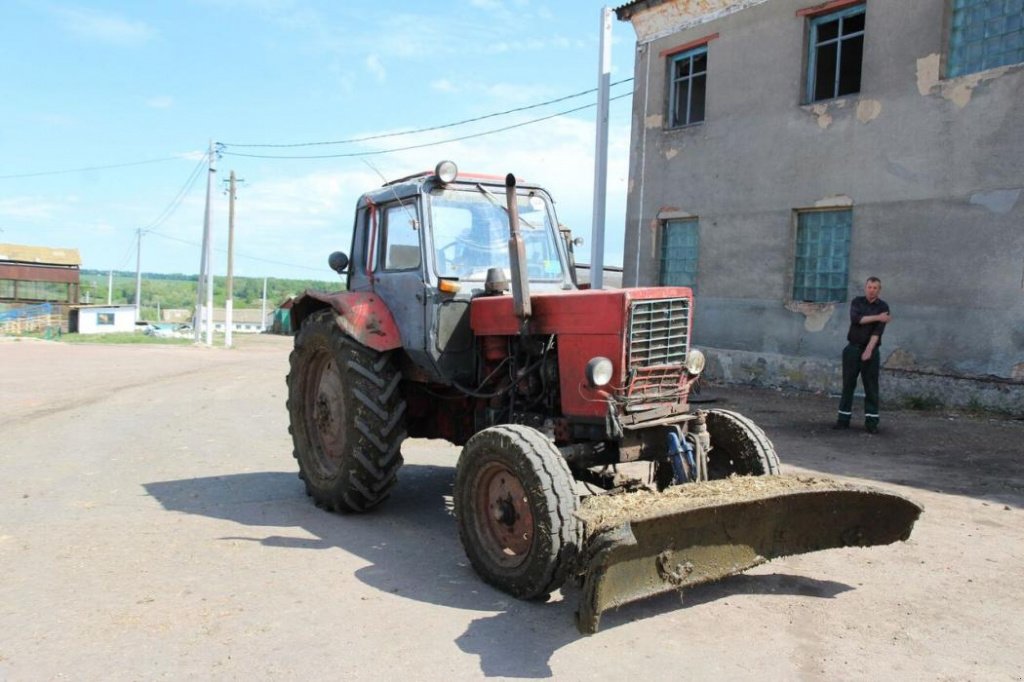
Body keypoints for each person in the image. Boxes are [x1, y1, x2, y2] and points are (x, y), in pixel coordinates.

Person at [835, 277, 891, 433]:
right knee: (848, 384)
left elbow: (878, 331)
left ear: (879, 290)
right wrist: (878, 317)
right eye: (869, 287)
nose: (872, 290)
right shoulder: (857, 302)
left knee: (871, 386)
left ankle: (871, 423)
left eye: (875, 287)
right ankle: (843, 419)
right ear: (865, 288)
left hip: (871, 351)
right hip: (852, 349)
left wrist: (869, 350)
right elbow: (857, 319)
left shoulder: (884, 306)